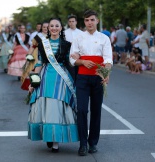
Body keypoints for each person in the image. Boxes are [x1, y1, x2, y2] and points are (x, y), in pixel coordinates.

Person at [28, 18, 79, 152]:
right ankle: (48, 136)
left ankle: (55, 140)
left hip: (61, 78)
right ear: (48, 28)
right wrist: (33, 82)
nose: (54, 28)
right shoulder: (42, 44)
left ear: (61, 28)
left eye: (57, 26)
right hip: (46, 77)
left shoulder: (67, 44)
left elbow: (71, 62)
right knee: (45, 106)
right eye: (52, 26)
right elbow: (39, 63)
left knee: (57, 107)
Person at [70, 10, 113, 156]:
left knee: (96, 111)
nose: (89, 22)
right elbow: (72, 59)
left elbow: (108, 59)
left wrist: (106, 74)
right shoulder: (78, 38)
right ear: (84, 21)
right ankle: (83, 144)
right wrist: (82, 61)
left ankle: (93, 142)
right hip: (82, 78)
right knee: (81, 110)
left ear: (97, 21)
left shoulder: (104, 38)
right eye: (87, 20)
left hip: (98, 78)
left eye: (92, 20)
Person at [21, 22, 49, 90]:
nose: (45, 28)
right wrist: (28, 56)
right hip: (39, 58)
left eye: (47, 27)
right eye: (44, 27)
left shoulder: (53, 35)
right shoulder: (38, 36)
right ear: (41, 28)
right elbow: (32, 47)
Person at [65, 15, 83, 82]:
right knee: (70, 75)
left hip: (79, 56)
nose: (71, 23)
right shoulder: (64, 33)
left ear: (76, 22)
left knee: (78, 74)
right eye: (70, 21)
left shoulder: (81, 33)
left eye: (73, 21)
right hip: (68, 56)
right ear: (68, 23)